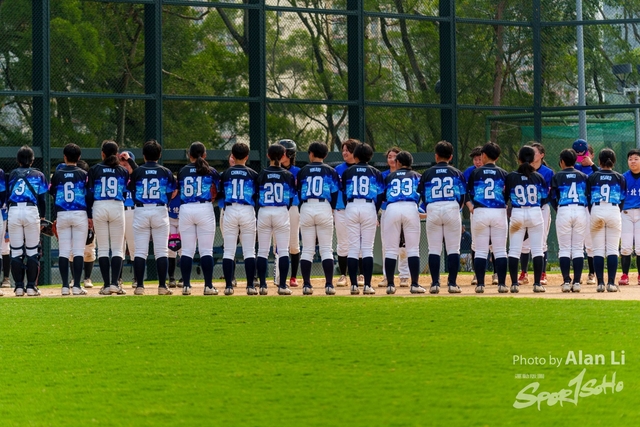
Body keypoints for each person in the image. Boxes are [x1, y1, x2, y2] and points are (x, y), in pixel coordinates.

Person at [128, 140, 176, 295]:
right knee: (161, 251)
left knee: (140, 251)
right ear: (159, 155)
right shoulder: (165, 171)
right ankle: (162, 286)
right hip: (160, 210)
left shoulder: (137, 171)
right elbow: (171, 191)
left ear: (143, 155)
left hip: (141, 210)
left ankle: (140, 286)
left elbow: (131, 188)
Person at [419, 140, 466, 294]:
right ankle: (452, 283)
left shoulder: (427, 173)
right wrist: (456, 207)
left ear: (436, 156)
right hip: (452, 207)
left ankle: (435, 283)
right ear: (451, 157)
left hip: (433, 207)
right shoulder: (456, 172)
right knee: (453, 249)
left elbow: (423, 195)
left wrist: (430, 207)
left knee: (434, 249)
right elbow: (463, 196)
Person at [297, 141, 340, 295]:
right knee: (326, 249)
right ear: (325, 155)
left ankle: (307, 285)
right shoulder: (330, 170)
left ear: (311, 154)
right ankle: (329, 285)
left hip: (307, 206)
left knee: (307, 250)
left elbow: (298, 190)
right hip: (324, 206)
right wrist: (332, 207)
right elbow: (335, 192)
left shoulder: (303, 171)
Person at [341, 142, 384, 295]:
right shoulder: (375, 172)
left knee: (353, 248)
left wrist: (349, 205)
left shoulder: (348, 172)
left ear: (356, 155)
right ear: (370, 156)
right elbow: (380, 194)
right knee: (367, 249)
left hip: (352, 206)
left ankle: (353, 285)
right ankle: (367, 285)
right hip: (368, 206)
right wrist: (375, 208)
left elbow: (344, 193)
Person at [177, 141, 220, 296]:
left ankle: (186, 286)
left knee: (187, 250)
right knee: (206, 250)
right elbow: (219, 189)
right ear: (204, 155)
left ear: (190, 155)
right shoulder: (210, 170)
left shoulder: (182, 171)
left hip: (186, 209)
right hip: (204, 207)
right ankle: (208, 286)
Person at [87, 140, 129, 295]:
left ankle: (105, 286)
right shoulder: (122, 171)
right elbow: (125, 192)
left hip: (99, 206)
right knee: (118, 248)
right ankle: (114, 284)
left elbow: (89, 193)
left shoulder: (95, 169)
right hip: (117, 205)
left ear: (102, 153)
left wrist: (89, 214)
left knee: (103, 248)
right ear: (117, 154)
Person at [466, 142, 508, 293]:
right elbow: (507, 194)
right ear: (497, 157)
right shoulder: (503, 173)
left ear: (484, 155)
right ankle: (502, 284)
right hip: (498, 211)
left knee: (481, 250)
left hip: (481, 211)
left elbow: (469, 191)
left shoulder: (475, 173)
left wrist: (471, 205)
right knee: (500, 251)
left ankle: (480, 284)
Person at [505, 146, 548, 293]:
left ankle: (514, 284)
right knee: (537, 250)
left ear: (519, 159)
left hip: (517, 212)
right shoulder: (538, 176)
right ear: (533, 159)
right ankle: (537, 284)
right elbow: (544, 197)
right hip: (535, 212)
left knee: (514, 250)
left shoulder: (511, 176)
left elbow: (506, 197)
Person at [218, 142, 259, 296]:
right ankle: (250, 286)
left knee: (228, 251)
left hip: (230, 210)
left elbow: (220, 193)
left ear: (232, 156)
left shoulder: (225, 174)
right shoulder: (253, 174)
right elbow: (256, 195)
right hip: (247, 210)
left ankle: (229, 286)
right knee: (249, 251)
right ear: (247, 157)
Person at [49, 143, 90, 295]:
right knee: (78, 251)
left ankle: (65, 286)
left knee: (64, 251)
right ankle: (77, 286)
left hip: (62, 214)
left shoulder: (58, 174)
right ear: (79, 158)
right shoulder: (83, 174)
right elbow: (89, 193)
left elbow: (52, 191)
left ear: (64, 157)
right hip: (80, 213)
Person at [255, 144, 296, 295]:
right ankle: (283, 286)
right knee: (283, 250)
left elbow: (256, 193)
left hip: (264, 211)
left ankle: (263, 286)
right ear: (283, 155)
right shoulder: (288, 175)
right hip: (281, 210)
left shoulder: (262, 173)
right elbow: (291, 196)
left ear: (268, 156)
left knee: (263, 251)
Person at [383, 150, 425, 295]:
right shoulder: (417, 176)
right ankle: (414, 284)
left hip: (392, 208)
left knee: (390, 250)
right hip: (410, 208)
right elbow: (423, 194)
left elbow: (383, 196)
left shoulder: (389, 176)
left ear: (398, 163)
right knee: (413, 249)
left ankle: (389, 285)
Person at [7, 146, 44, 296]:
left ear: (18, 160)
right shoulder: (38, 174)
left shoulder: (13, 174)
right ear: (32, 159)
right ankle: (30, 287)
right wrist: (42, 217)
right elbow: (42, 199)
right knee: (32, 251)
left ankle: (19, 287)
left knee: (15, 251)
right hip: (31, 210)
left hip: (14, 210)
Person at [550, 148, 588, 292]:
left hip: (564, 209)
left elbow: (552, 196)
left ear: (562, 162)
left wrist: (557, 208)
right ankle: (577, 282)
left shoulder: (557, 176)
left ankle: (566, 282)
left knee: (564, 249)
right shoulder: (583, 176)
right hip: (580, 210)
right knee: (578, 248)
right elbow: (588, 194)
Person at [587, 148, 625, 292]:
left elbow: (588, 197)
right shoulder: (619, 177)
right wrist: (615, 211)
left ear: (599, 161)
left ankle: (600, 284)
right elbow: (622, 198)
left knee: (598, 250)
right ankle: (611, 283)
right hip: (613, 209)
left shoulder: (593, 176)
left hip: (597, 209)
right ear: (613, 161)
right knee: (612, 250)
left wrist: (595, 211)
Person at [518, 142, 554, 287]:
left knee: (541, 242)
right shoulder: (522, 170)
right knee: (524, 243)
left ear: (541, 155)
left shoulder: (547, 172)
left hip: (542, 208)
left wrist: (537, 204)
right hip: (524, 208)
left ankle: (542, 274)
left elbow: (549, 193)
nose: (531, 154)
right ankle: (524, 273)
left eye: (534, 152)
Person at [379, 147, 411, 288]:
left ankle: (404, 275)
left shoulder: (407, 174)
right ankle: (387, 276)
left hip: (404, 209)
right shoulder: (383, 175)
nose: (391, 159)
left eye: (394, 156)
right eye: (389, 156)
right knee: (387, 244)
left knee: (404, 244)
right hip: (388, 210)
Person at [334, 139, 362, 286]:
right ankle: (343, 275)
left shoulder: (362, 168)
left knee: (360, 241)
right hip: (341, 209)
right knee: (343, 242)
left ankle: (361, 274)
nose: (344, 152)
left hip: (358, 207)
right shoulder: (338, 169)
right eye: (343, 149)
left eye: (348, 150)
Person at [274, 139, 301, 288]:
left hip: (292, 208)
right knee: (277, 243)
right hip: (277, 208)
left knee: (293, 243)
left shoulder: (297, 172)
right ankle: (278, 275)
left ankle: (293, 276)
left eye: (283, 152)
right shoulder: (273, 169)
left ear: (289, 154)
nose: (280, 155)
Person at [573, 139, 599, 285]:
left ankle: (591, 273)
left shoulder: (594, 169)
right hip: (577, 207)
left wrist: (592, 165)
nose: (582, 159)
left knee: (590, 242)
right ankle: (576, 275)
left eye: (585, 156)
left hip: (590, 207)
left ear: (591, 155)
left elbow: (602, 177)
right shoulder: (574, 167)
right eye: (580, 157)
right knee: (577, 241)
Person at [620, 149, 640, 286]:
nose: (632, 161)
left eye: (636, 159)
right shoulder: (623, 177)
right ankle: (625, 275)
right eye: (630, 159)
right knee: (626, 247)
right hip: (626, 213)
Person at [118, 151, 137, 287]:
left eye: (126, 164)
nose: (123, 167)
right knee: (118, 246)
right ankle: (117, 279)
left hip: (132, 212)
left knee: (134, 246)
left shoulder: (137, 176)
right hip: (118, 211)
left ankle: (137, 278)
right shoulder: (118, 178)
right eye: (121, 164)